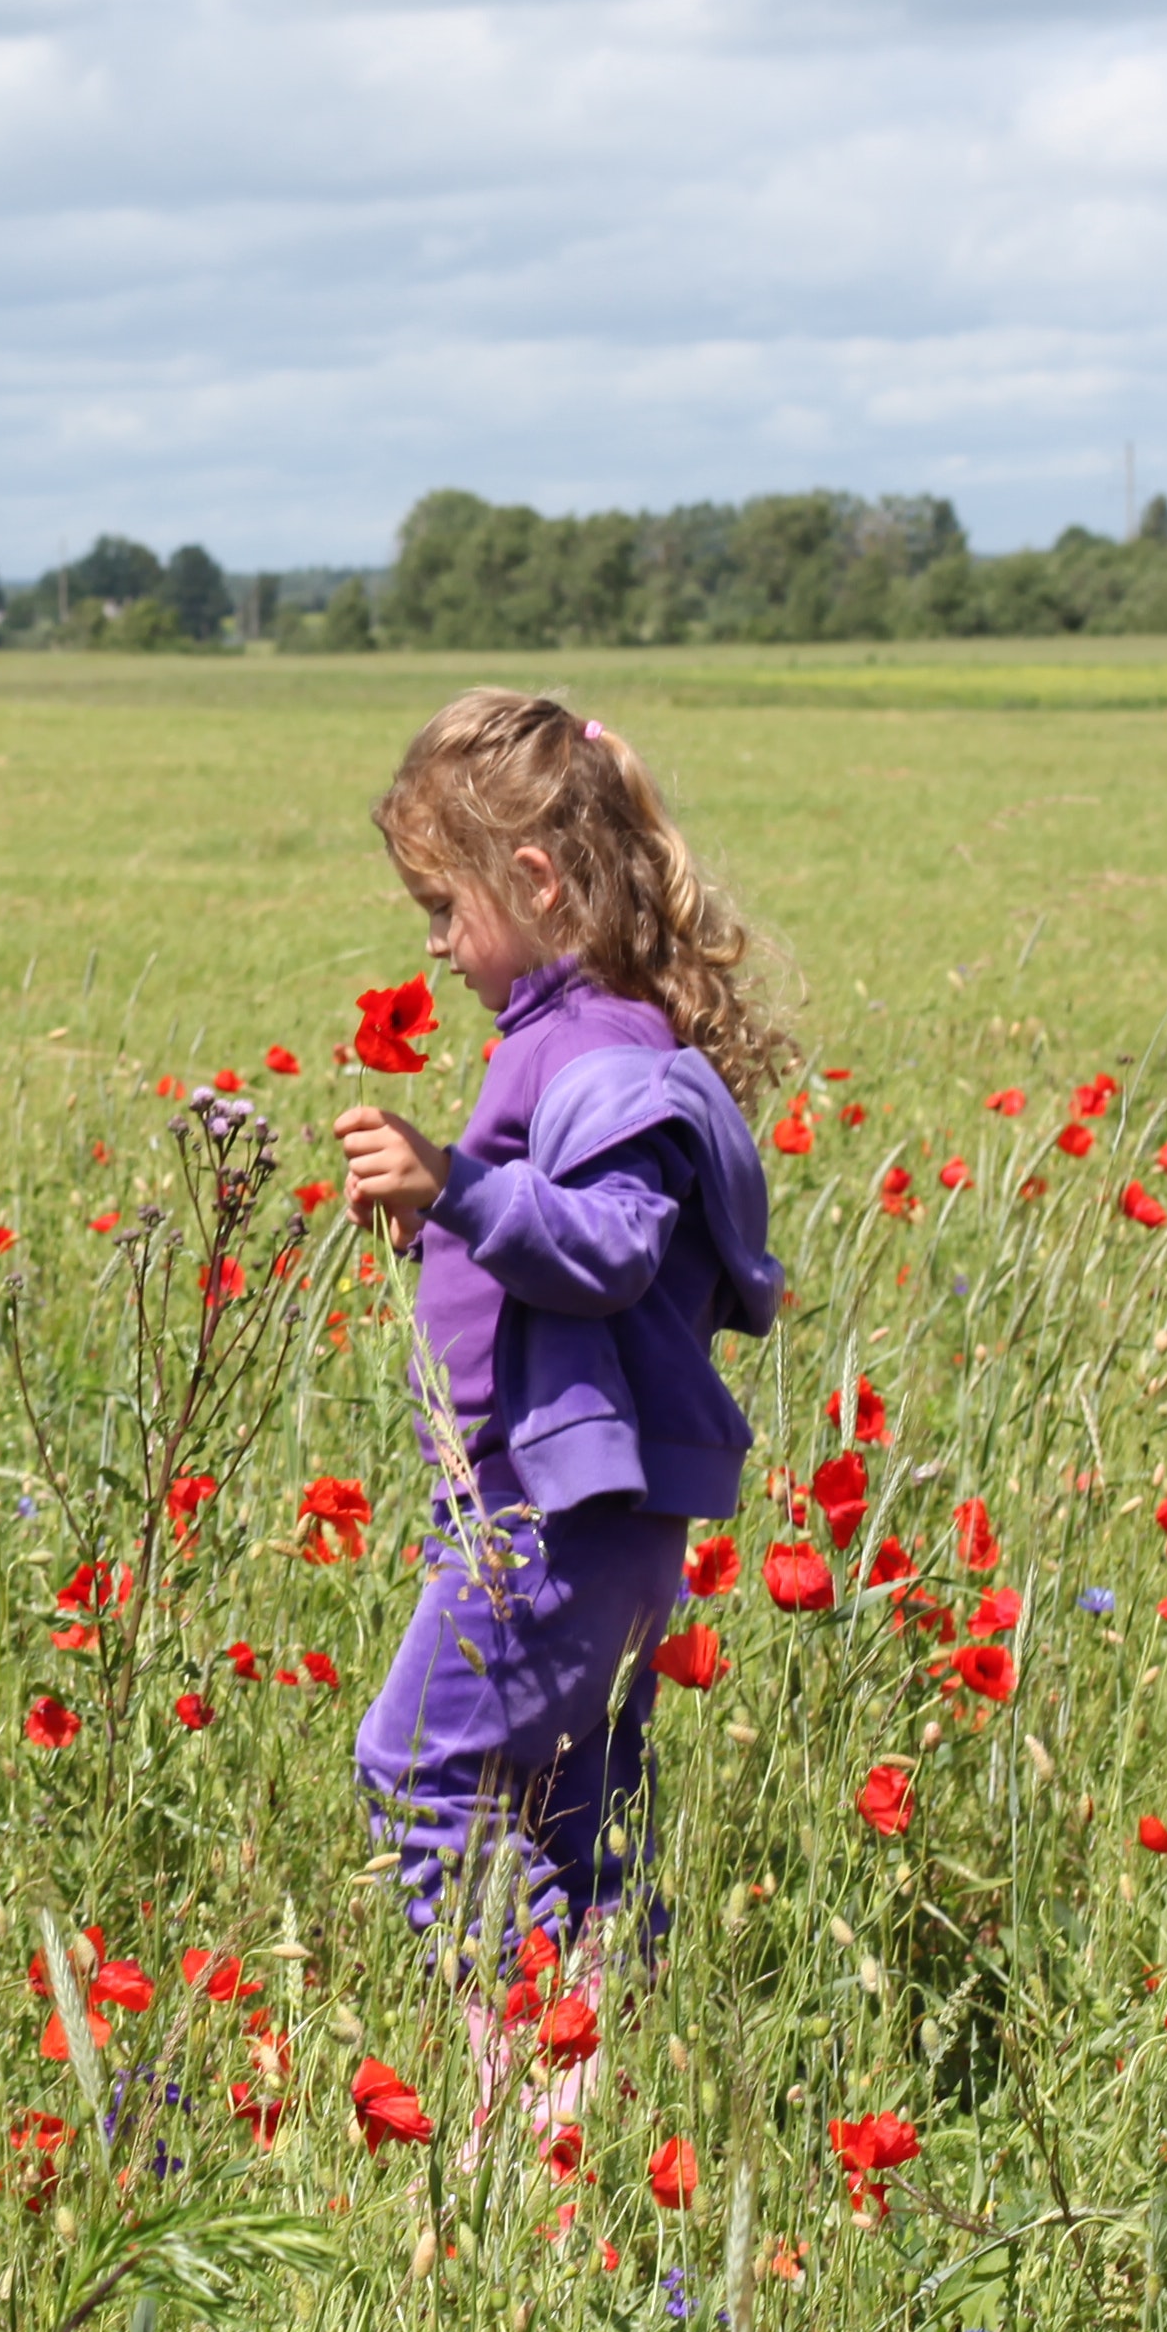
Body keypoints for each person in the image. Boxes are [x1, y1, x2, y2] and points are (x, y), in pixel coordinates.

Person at [328, 694, 787, 2105]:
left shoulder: (596, 1051)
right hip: (569, 1510)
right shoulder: (577, 1032)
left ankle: (533, 2081)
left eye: (441, 905)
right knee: (572, 1815)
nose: (431, 943)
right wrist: (450, 1228)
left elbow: (613, 1246)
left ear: (531, 881)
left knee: (419, 1768)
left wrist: (450, 1184)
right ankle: (596, 2107)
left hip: (553, 1513)